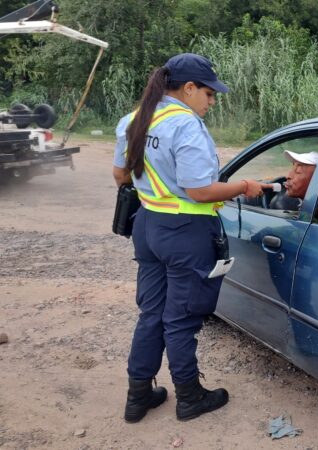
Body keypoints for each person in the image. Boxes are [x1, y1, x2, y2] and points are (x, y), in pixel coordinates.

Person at [111, 53, 267, 423]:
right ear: (189, 88)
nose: (211, 102)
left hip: (148, 227)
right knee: (180, 318)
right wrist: (244, 185)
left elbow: (120, 175)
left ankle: (138, 396)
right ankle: (190, 397)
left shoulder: (134, 119)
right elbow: (199, 191)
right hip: (185, 231)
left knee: (152, 313)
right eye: (210, 94)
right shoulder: (186, 125)